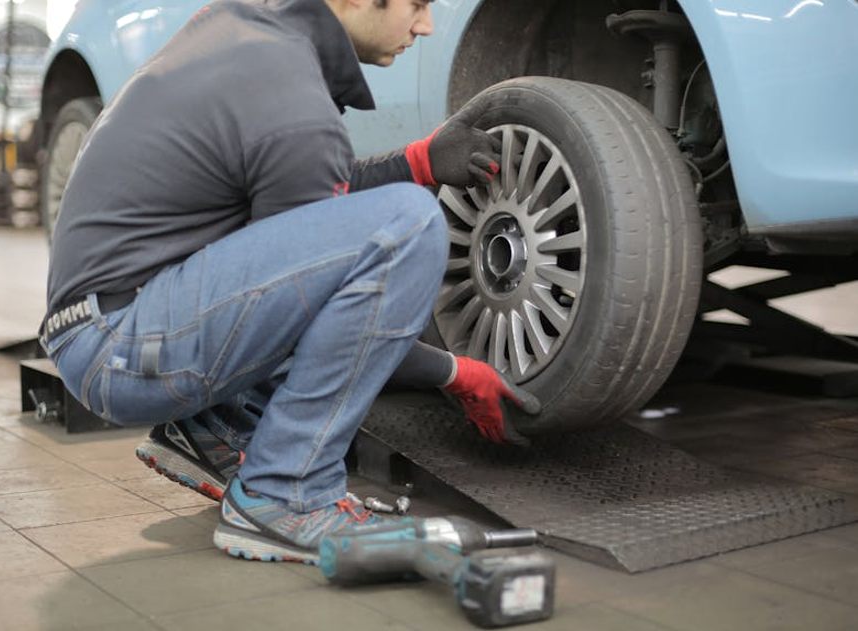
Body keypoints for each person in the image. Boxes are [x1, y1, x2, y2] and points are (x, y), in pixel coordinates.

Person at [40, 0, 539, 564]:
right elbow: (316, 297)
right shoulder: (292, 95)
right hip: (124, 348)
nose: (424, 26)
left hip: (103, 327)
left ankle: (217, 428)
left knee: (377, 222)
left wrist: (416, 162)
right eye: (416, 5)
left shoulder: (257, 40)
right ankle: (287, 492)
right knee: (408, 225)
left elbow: (297, 209)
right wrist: (453, 372)